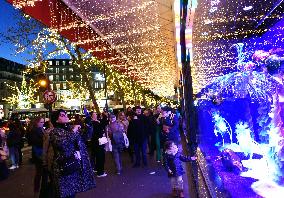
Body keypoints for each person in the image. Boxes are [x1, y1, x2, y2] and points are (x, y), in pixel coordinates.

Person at [43, 109, 95, 198]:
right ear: (56, 120)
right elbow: (63, 144)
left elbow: (86, 137)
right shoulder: (55, 131)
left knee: (72, 192)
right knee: (66, 193)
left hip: (74, 164)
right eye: (62, 115)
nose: (66, 116)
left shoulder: (70, 128)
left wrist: (89, 125)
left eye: (65, 114)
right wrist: (73, 131)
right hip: (64, 167)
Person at [29, 116, 46, 198]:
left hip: (40, 154)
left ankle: (40, 191)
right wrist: (45, 138)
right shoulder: (35, 130)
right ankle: (37, 192)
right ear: (37, 122)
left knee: (40, 174)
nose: (43, 124)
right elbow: (35, 142)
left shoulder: (40, 129)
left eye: (43, 122)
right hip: (38, 154)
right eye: (41, 122)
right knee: (39, 174)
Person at [90, 111, 107, 177]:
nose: (96, 115)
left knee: (97, 156)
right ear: (91, 116)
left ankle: (97, 169)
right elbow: (100, 130)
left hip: (97, 141)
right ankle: (100, 172)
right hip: (98, 141)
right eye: (94, 114)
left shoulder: (96, 121)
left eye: (96, 114)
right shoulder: (93, 123)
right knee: (100, 156)